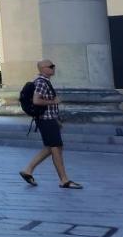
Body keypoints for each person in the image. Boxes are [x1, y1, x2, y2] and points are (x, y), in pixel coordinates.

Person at [20, 59, 82, 190]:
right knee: (56, 149)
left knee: (51, 148)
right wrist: (54, 101)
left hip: (49, 120)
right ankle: (64, 180)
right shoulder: (42, 82)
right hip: (46, 120)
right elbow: (37, 101)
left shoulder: (43, 81)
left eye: (53, 66)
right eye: (51, 66)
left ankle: (28, 170)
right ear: (43, 69)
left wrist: (56, 120)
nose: (54, 68)